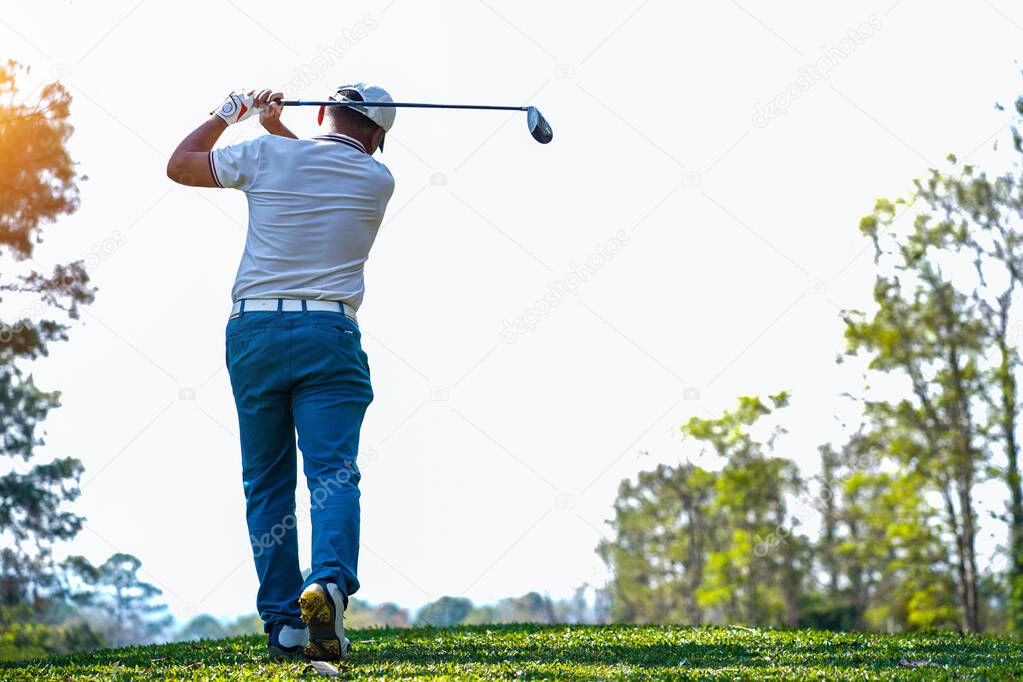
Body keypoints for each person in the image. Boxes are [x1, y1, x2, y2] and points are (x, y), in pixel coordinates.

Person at [166, 84, 396, 660]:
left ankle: (286, 623)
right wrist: (275, 131)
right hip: (329, 334)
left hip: (255, 333)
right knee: (333, 474)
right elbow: (324, 170)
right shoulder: (377, 180)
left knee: (266, 483)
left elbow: (180, 167)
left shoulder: (270, 156)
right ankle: (329, 586)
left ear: (322, 112)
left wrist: (233, 114)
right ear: (378, 138)